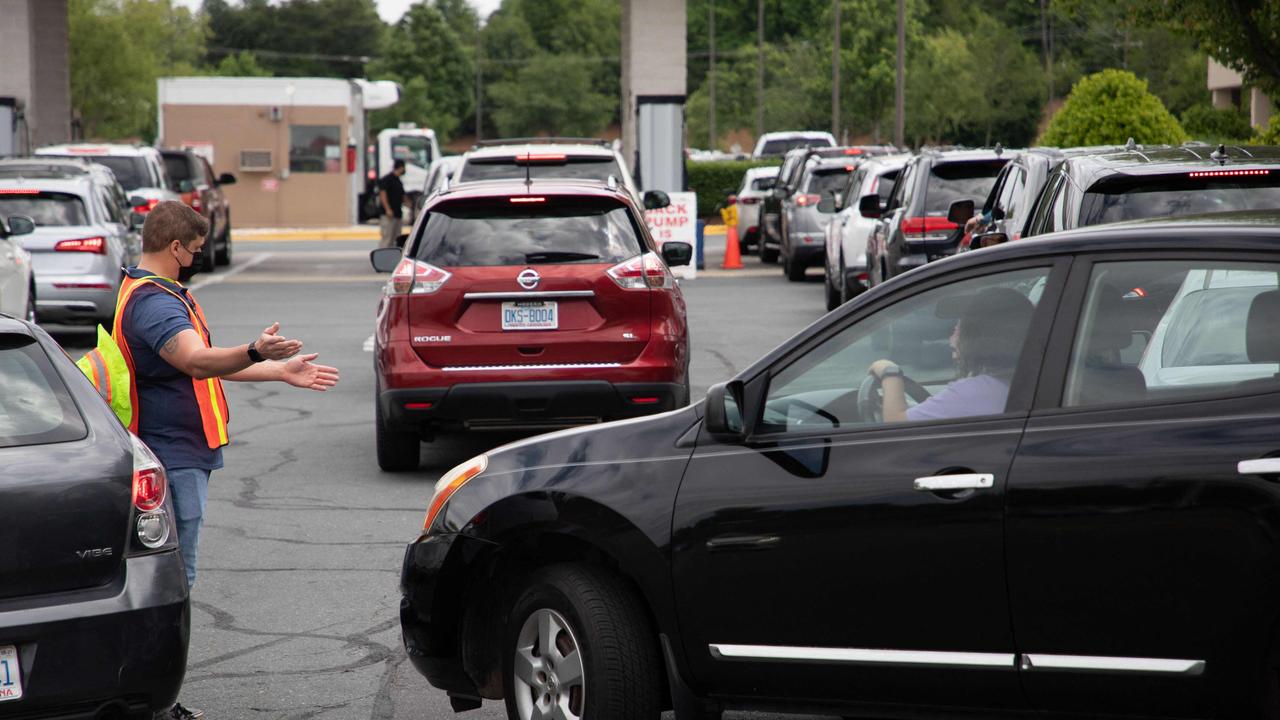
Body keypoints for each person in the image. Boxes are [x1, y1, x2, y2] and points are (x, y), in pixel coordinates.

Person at [120, 202, 340, 720]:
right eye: (194, 251)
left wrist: (278, 371)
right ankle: (151, 702)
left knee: (169, 582)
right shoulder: (156, 304)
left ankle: (147, 697)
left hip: (177, 454)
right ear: (175, 247)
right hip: (173, 458)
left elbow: (204, 366)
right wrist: (257, 350)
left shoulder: (154, 293)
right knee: (173, 584)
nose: (197, 258)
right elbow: (197, 360)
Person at [867, 287, 1034, 423]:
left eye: (958, 329)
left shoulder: (975, 392)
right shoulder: (1028, 381)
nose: (951, 339)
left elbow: (897, 424)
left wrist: (890, 373)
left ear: (976, 337)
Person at [378, 159, 407, 248]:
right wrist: (388, 209)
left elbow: (402, 196)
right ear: (400, 168)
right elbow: (383, 194)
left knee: (396, 239)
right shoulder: (387, 179)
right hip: (389, 215)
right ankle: (383, 259)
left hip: (398, 213)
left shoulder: (398, 181)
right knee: (387, 238)